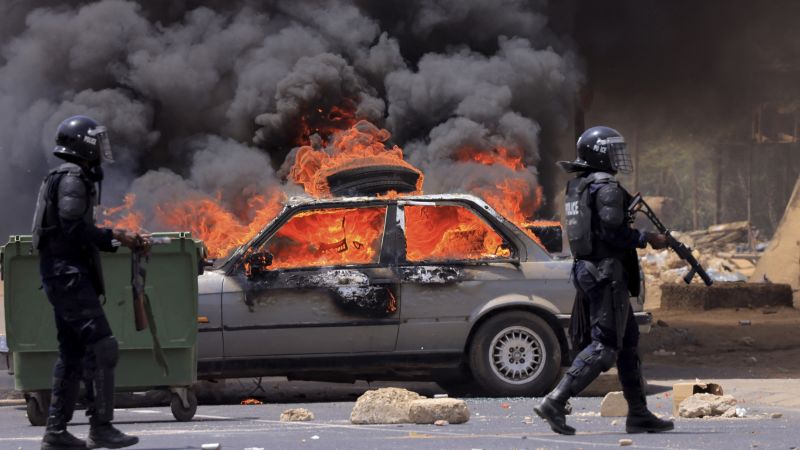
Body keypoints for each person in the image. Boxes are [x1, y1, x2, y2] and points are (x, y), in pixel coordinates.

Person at [534, 126, 674, 435]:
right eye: (613, 151)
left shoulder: (578, 187)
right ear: (601, 154)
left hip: (589, 269)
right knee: (605, 347)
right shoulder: (606, 187)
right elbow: (613, 232)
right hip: (606, 273)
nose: (618, 158)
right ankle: (555, 401)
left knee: (628, 347)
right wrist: (647, 237)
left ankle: (638, 413)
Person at [33, 116, 142, 450]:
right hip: (67, 276)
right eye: (96, 141)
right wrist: (115, 236)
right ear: (83, 143)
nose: (101, 149)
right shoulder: (72, 177)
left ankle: (56, 433)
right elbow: (72, 228)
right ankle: (101, 427)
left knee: (72, 352)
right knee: (103, 345)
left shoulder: (68, 176)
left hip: (62, 275)